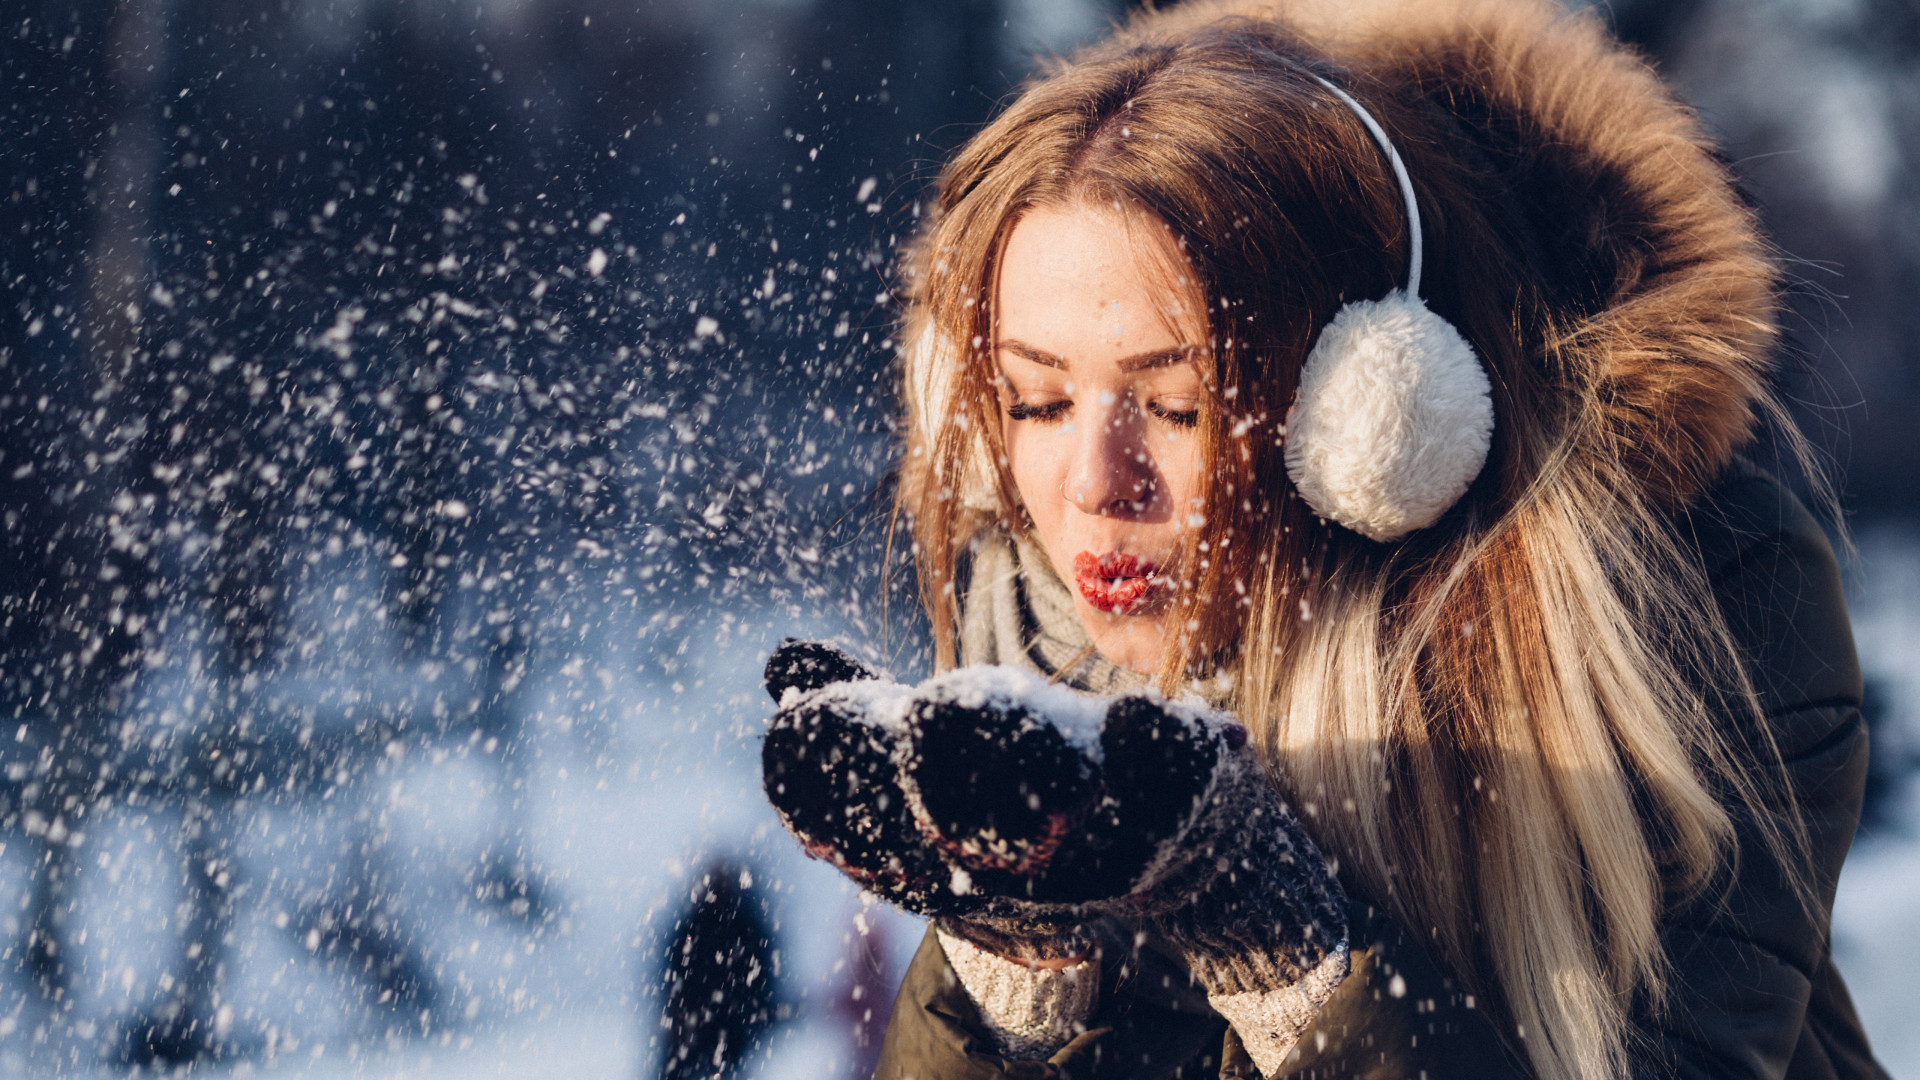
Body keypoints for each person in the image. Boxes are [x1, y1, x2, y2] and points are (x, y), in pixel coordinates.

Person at [757, 1, 1892, 1078]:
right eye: (1036, 403)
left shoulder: (1696, 605)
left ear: (1374, 412)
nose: (1096, 485)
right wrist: (1014, 969)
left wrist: (1291, 956)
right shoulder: (1031, 635)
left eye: (1179, 405)